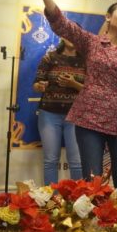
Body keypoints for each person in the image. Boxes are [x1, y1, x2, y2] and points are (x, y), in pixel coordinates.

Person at [25, 0, 117, 191]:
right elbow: (62, 24)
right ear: (108, 17)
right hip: (90, 117)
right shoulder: (92, 42)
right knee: (93, 181)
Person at [33, 36, 86, 185]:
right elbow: (36, 84)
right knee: (50, 160)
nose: (71, 37)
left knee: (77, 162)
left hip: (75, 115)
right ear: (63, 36)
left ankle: (78, 197)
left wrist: (73, 83)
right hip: (49, 114)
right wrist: (40, 86)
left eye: (74, 33)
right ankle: (51, 197)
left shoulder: (86, 61)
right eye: (68, 33)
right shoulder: (50, 58)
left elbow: (91, 90)